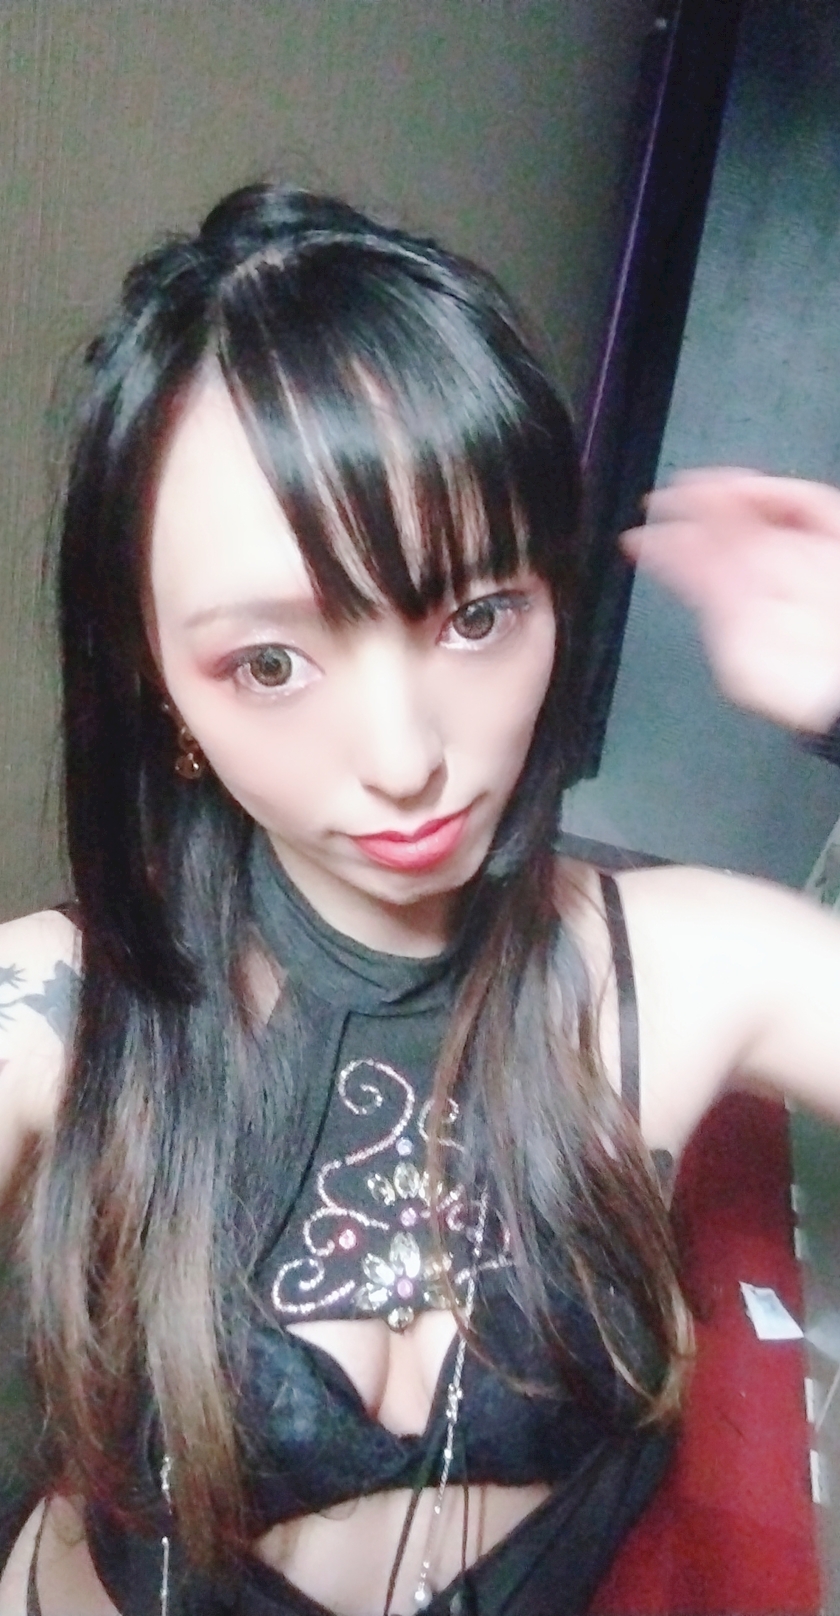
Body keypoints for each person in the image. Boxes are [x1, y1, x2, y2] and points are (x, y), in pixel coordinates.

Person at [0, 182, 838, 1616]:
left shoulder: (694, 970)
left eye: (475, 615)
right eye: (270, 662)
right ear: (154, 675)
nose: (404, 761)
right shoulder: (61, 1020)